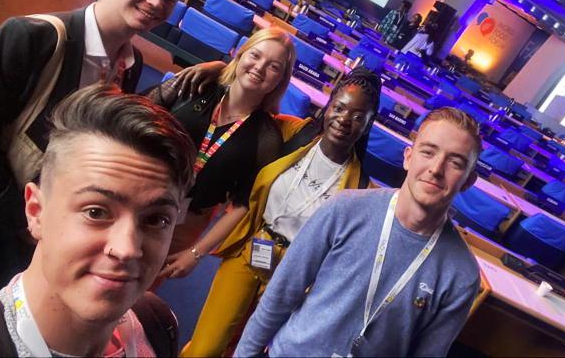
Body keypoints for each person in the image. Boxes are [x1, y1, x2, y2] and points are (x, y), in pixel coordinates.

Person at [0, 0, 194, 313]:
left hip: (32, 233)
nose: (157, 3)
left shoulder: (131, 64)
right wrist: (24, 221)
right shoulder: (31, 36)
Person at [0, 84, 197, 356]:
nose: (127, 249)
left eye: (156, 220)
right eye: (96, 212)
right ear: (36, 211)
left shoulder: (156, 322)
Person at [235, 107, 483, 357]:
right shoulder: (344, 209)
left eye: (455, 162)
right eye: (428, 152)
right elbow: (280, 295)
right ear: (408, 157)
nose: (436, 168)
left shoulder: (461, 274)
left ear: (468, 181)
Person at [182, 67, 382, 357]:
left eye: (358, 116)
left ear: (368, 123)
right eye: (339, 108)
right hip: (251, 250)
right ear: (328, 107)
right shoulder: (294, 133)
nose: (344, 119)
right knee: (206, 347)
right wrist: (217, 67)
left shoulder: (362, 189)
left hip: (295, 275)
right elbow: (246, 101)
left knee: (246, 351)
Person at [147, 28, 296, 284]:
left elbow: (243, 204)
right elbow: (140, 111)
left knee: (143, 289)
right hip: (139, 192)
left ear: (281, 80)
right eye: (255, 55)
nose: (260, 68)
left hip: (184, 222)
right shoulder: (198, 85)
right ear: (240, 55)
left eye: (274, 66)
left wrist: (196, 253)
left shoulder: (267, 138)